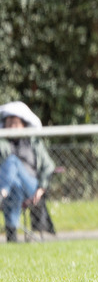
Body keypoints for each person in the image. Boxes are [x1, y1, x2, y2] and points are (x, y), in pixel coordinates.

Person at [0, 102, 56, 243]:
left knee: (12, 161)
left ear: (24, 125)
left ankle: (2, 193)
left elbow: (49, 166)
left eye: (16, 123)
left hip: (32, 186)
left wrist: (42, 188)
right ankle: (12, 238)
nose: (12, 127)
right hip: (14, 188)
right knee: (15, 186)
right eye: (9, 123)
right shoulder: (2, 142)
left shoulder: (34, 142)